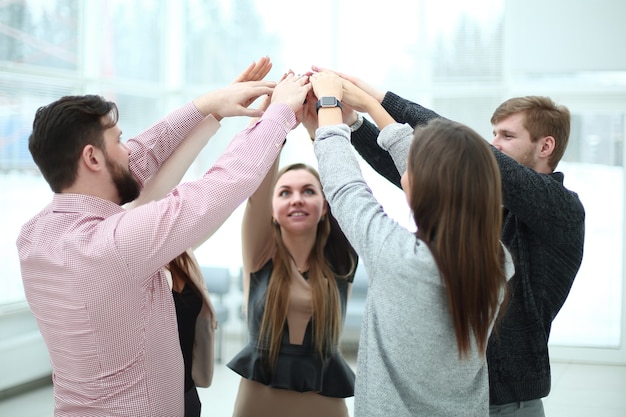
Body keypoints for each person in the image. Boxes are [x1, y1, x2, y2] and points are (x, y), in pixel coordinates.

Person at [17, 61, 311, 416]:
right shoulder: (114, 245)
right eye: (119, 140)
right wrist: (278, 114)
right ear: (92, 157)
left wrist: (206, 107)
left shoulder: (34, 235)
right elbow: (221, 184)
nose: (129, 150)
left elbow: (138, 160)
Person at [313, 66, 586, 416]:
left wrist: (374, 100)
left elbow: (451, 155)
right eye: (492, 135)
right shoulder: (494, 237)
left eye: (506, 136)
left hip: (510, 404)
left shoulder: (560, 209)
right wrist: (354, 122)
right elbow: (426, 174)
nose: (493, 145)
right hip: (468, 398)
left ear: (546, 145)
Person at [124, 58, 273, 417]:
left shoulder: (180, 251)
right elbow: (222, 182)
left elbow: (182, 174)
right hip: (141, 401)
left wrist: (219, 111)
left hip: (185, 395)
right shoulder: (126, 242)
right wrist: (268, 124)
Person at [226, 91, 358, 417]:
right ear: (273, 211)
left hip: (324, 400)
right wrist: (277, 124)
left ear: (325, 207)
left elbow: (347, 188)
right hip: (259, 401)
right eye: (285, 192)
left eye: (308, 191)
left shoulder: (341, 262)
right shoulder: (259, 255)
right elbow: (258, 194)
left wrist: (320, 131)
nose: (296, 199)